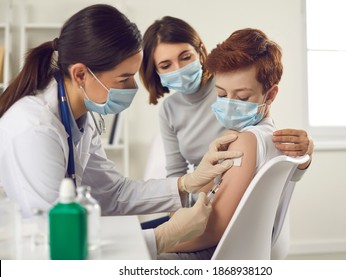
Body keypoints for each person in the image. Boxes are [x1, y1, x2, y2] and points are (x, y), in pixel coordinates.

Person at [0, 4, 242, 258]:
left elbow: (113, 193)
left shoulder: (81, 116)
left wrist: (186, 183)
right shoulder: (34, 130)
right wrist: (164, 237)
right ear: (81, 74)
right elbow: (56, 241)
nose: (133, 87)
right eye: (124, 78)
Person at [139, 17, 313, 258]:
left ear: (200, 53)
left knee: (127, 247)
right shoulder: (173, 110)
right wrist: (174, 221)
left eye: (241, 98)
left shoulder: (244, 130)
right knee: (129, 237)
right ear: (155, 70)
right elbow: (179, 175)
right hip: (203, 206)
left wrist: (153, 244)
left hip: (223, 233)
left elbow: (217, 229)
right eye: (221, 96)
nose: (229, 106)